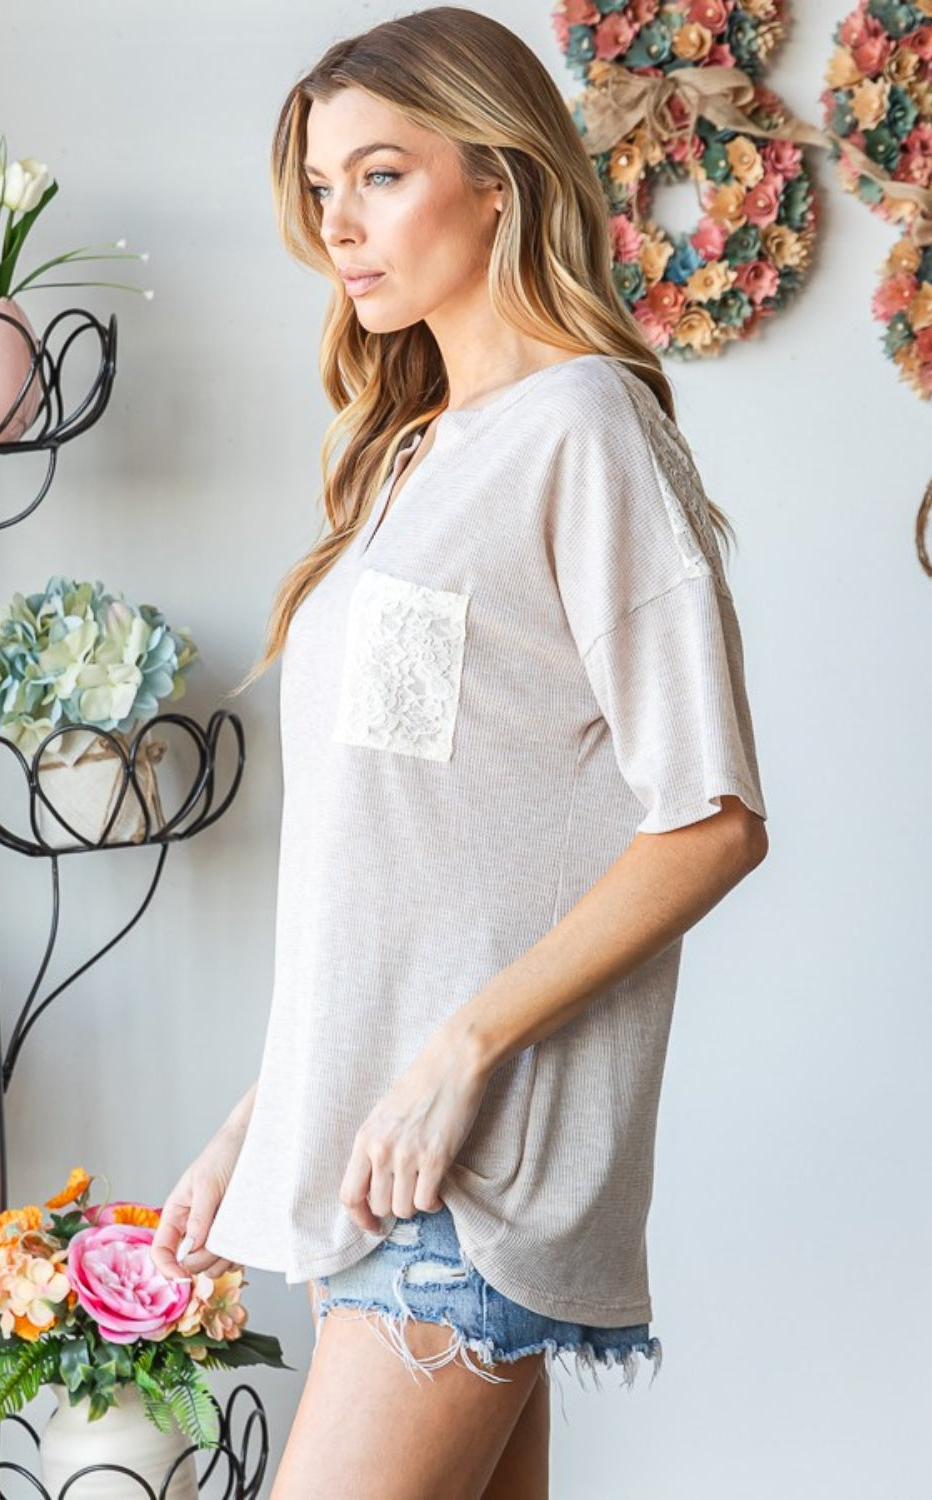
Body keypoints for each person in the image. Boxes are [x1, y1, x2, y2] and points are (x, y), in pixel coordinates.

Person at [149, 7, 770, 1496]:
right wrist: (265, 1115)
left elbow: (715, 816)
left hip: (465, 1174)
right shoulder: (419, 454)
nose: (338, 225)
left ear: (497, 178)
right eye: (319, 188)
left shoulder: (584, 429)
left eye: (378, 174)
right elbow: (403, 856)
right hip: (374, 1164)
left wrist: (459, 1054)